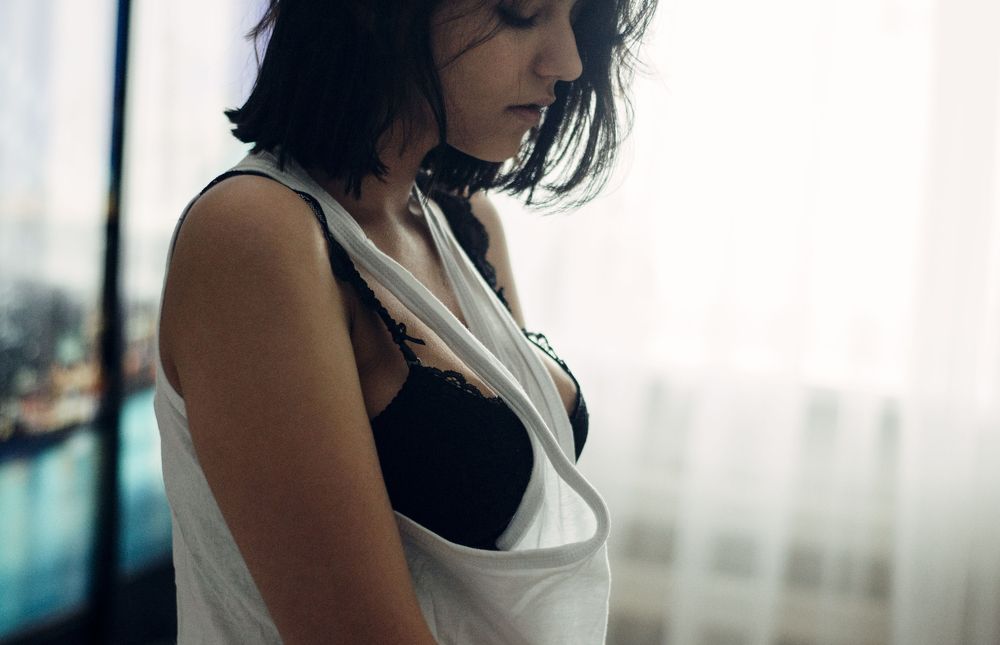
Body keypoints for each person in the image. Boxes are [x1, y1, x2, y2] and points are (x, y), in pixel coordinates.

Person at [153, 0, 656, 642]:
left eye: (574, 20)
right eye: (521, 14)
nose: (568, 62)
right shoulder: (255, 236)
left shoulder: (462, 222)